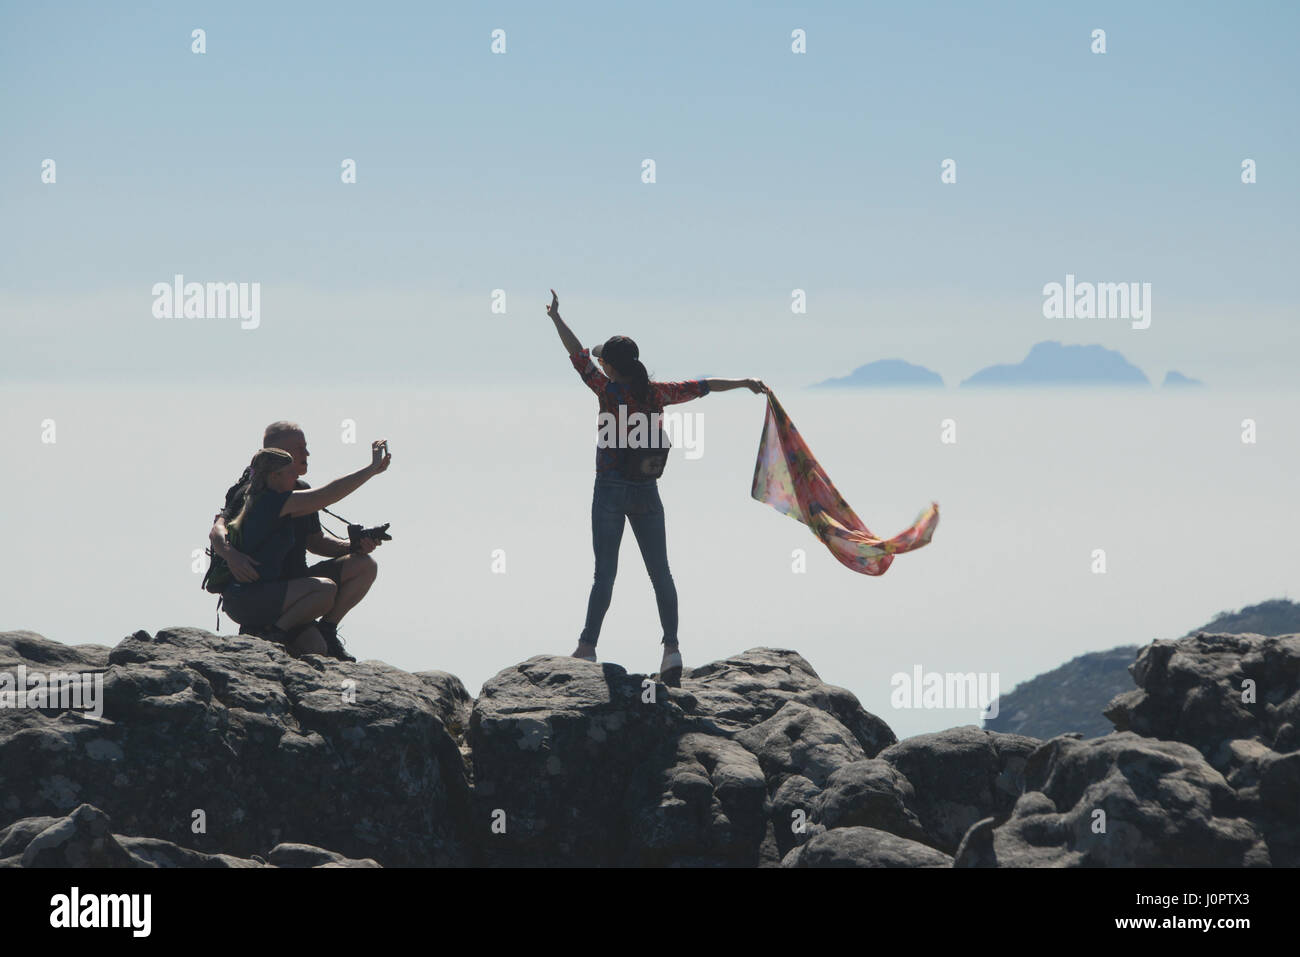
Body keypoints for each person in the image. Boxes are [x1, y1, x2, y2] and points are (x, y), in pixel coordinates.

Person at [545, 289, 767, 686]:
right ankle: (671, 650)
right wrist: (745, 382)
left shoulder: (606, 390)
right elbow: (704, 385)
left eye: (604, 362)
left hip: (610, 490)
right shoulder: (658, 392)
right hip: (647, 491)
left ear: (610, 367)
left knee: (605, 575)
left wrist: (556, 318)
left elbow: (578, 354)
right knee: (660, 572)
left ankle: (587, 646)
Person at [209, 425, 390, 658]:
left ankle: (324, 630)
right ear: (278, 456)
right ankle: (271, 634)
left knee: (318, 646)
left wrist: (353, 546)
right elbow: (325, 495)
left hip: (294, 589)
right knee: (325, 591)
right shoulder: (259, 495)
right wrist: (371, 469)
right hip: (254, 594)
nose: (307, 455)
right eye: (300, 449)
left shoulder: (297, 489)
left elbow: (316, 542)